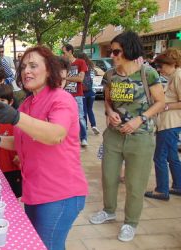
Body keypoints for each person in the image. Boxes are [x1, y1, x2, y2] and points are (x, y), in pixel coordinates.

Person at [0, 46, 88, 250]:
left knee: (48, 246)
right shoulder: (27, 103)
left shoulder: (60, 98)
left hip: (60, 193)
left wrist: (16, 117)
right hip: (34, 190)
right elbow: (24, 141)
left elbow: (55, 134)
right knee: (34, 244)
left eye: (33, 66)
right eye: (23, 67)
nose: (26, 71)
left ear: (49, 70)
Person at [89, 31, 165, 242]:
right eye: (112, 51)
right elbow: (107, 101)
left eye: (116, 51)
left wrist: (139, 119)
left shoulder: (147, 73)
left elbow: (160, 102)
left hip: (140, 137)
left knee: (135, 183)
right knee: (108, 177)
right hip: (113, 136)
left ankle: (131, 222)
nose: (112, 55)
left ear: (129, 50)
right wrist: (110, 112)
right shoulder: (110, 75)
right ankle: (109, 210)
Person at [144, 48, 181, 201]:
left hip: (170, 124)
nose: (160, 69)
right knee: (172, 156)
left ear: (171, 63)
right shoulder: (174, 76)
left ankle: (162, 190)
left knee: (160, 157)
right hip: (168, 123)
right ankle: (178, 186)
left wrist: (164, 106)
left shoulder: (178, 76)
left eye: (162, 66)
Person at [62, 44, 89, 147]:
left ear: (70, 51)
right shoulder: (64, 65)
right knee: (65, 117)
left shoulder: (80, 62)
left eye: (64, 52)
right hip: (65, 95)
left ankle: (83, 138)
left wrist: (65, 78)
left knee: (80, 117)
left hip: (77, 95)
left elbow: (80, 79)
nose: (63, 55)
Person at [77, 52, 100, 135]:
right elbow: (94, 79)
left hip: (83, 92)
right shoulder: (91, 67)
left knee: (83, 111)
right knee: (90, 109)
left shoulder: (80, 68)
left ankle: (84, 127)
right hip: (92, 92)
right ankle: (94, 125)